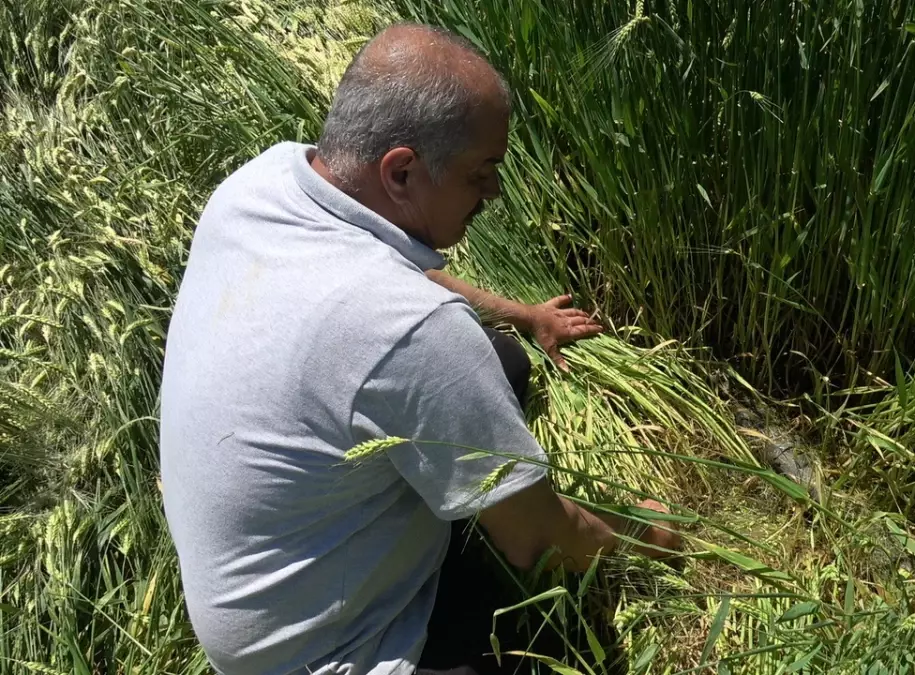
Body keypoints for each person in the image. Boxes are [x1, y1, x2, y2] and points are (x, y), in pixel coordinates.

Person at [158, 22, 681, 675]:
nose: (493, 193)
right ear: (401, 170)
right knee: (557, 653)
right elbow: (539, 539)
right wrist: (651, 533)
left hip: (259, 591)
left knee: (504, 360)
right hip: (334, 648)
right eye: (481, 173)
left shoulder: (267, 182)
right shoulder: (415, 334)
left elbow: (394, 268)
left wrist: (522, 316)